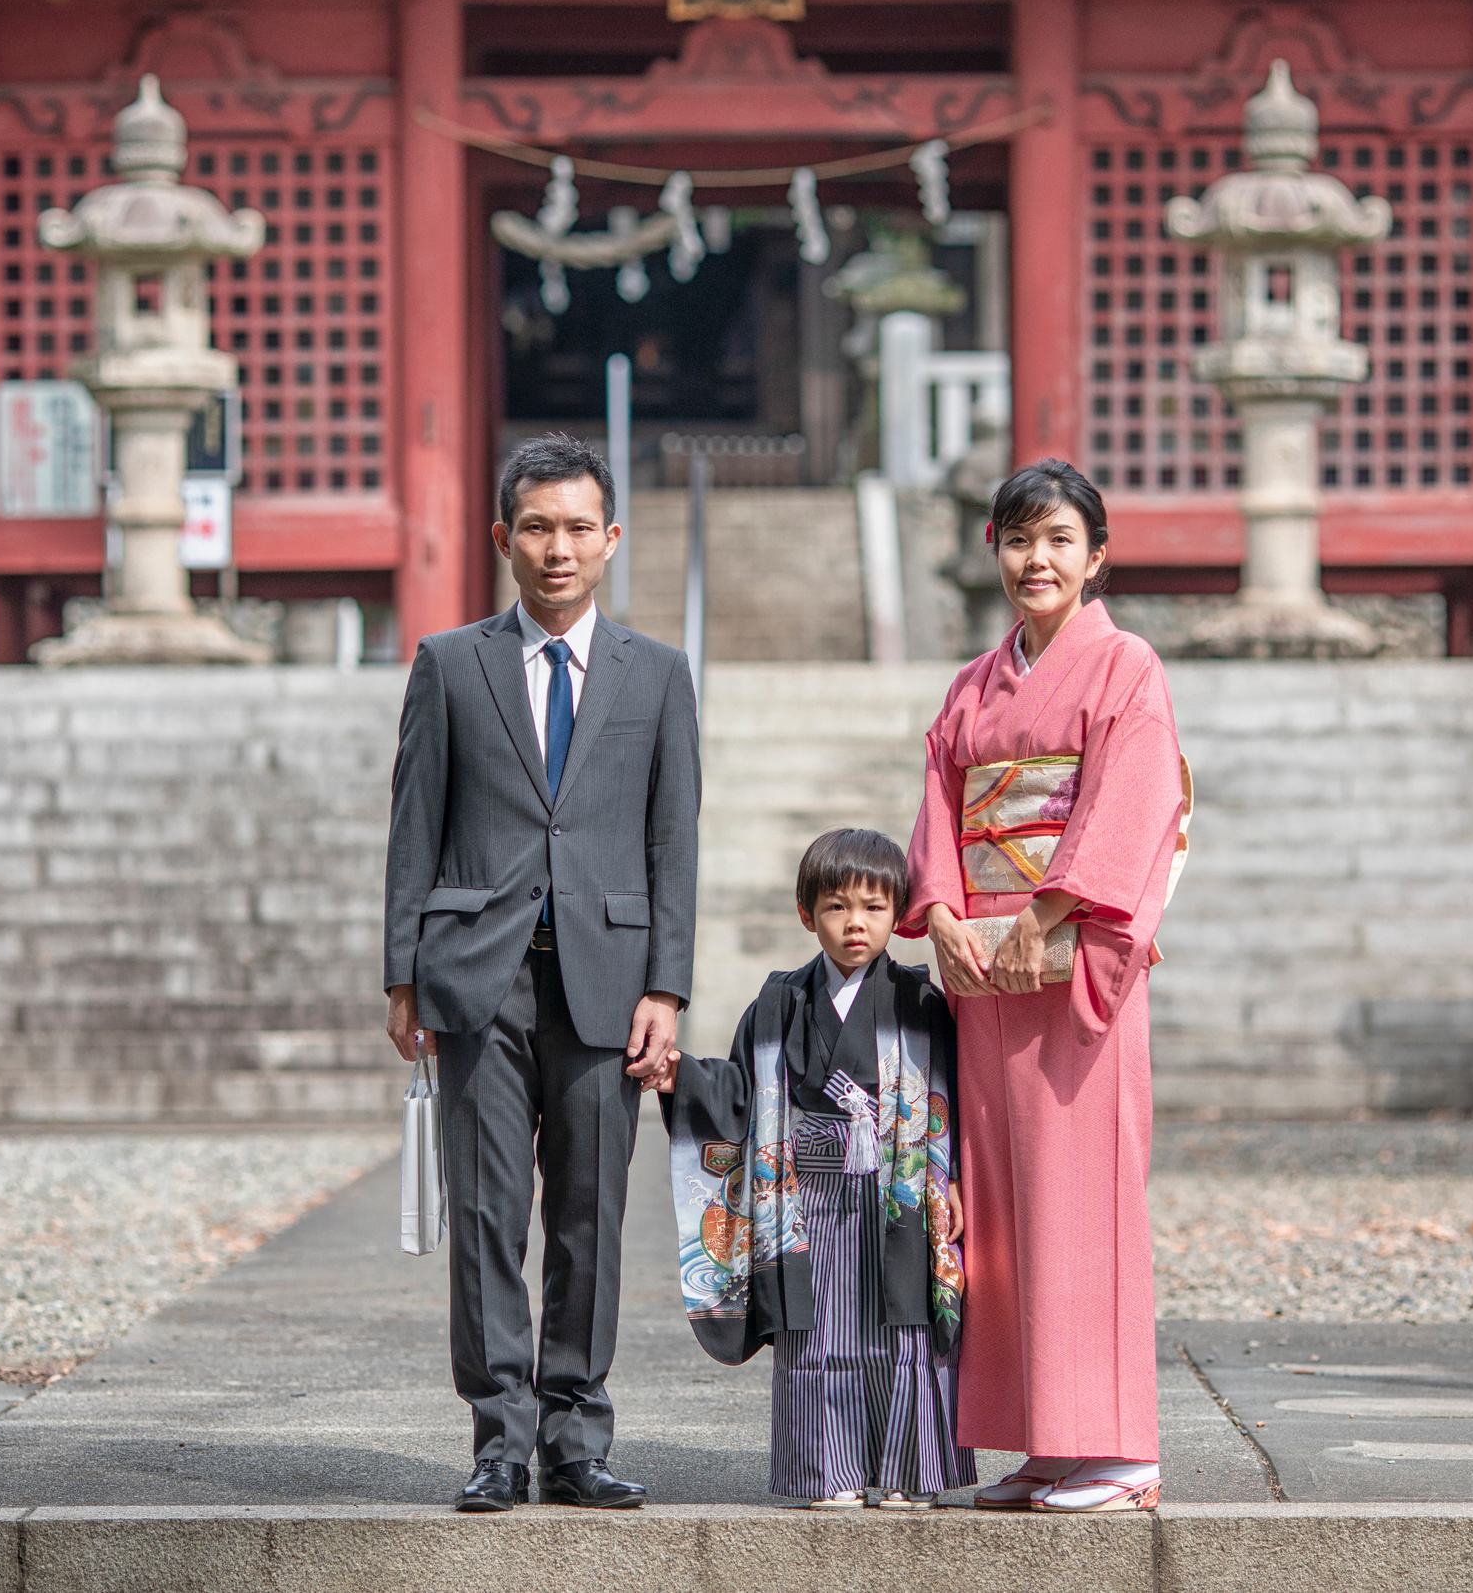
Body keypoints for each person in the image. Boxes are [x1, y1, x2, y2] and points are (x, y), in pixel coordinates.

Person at [382, 431, 700, 1513]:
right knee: (484, 1215)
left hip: (608, 982)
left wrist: (668, 987)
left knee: (589, 1216)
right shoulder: (450, 664)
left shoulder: (655, 675)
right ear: (501, 538)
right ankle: (498, 1440)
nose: (556, 549)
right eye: (536, 528)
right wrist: (400, 974)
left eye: (576, 528)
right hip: (477, 978)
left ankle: (576, 1437)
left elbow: (674, 843)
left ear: (610, 538)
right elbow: (411, 824)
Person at [902, 459, 1188, 1515]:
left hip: (1068, 965)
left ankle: (1119, 1448)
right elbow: (941, 800)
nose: (1038, 559)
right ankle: (1044, 1439)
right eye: (1020, 539)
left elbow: (1133, 800)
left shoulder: (1126, 667)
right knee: (1002, 1208)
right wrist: (936, 910)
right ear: (994, 550)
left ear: (1095, 556)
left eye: (1061, 539)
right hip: (986, 961)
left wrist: (1047, 912)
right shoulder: (970, 685)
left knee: (1083, 1195)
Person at [643, 827, 976, 1509]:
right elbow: (738, 1092)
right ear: (807, 913)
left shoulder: (920, 1003)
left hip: (899, 1196)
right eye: (836, 906)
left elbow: (952, 1101)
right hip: (801, 1201)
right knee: (817, 1328)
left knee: (905, 1324)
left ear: (900, 912)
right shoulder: (778, 1003)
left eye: (874, 906)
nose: (855, 922)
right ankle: (832, 1470)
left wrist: (957, 1177)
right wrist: (683, 1078)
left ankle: (912, 1471)